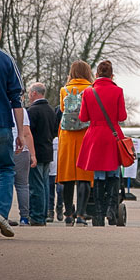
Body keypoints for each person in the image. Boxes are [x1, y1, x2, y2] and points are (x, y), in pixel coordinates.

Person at [76, 60, 127, 227]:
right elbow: (122, 117)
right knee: (113, 174)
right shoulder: (118, 90)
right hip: (112, 135)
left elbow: (83, 117)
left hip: (95, 136)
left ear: (96, 75)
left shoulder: (89, 92)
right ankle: (111, 210)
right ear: (112, 75)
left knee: (98, 177)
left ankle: (98, 213)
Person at [57, 60, 95, 226]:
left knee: (67, 177)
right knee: (84, 177)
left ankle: (68, 215)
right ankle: (81, 214)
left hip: (67, 137)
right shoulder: (92, 90)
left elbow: (63, 110)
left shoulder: (64, 90)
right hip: (85, 136)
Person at [0, 23, 24, 238]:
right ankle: (1, 213)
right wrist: (21, 133)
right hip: (2, 124)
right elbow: (16, 98)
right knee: (6, 169)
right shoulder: (7, 60)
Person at [27, 82, 58, 227]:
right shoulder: (51, 110)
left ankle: (37, 216)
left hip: (36, 152)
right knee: (45, 185)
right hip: (48, 151)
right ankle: (44, 214)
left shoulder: (32, 111)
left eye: (29, 93)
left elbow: (28, 133)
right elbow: (54, 131)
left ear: (34, 93)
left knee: (36, 186)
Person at [10, 108, 35, 226]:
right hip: (20, 150)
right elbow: (26, 133)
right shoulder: (21, 110)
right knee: (22, 185)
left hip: (4, 147)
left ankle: (3, 215)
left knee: (4, 182)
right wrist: (33, 154)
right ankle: (24, 218)